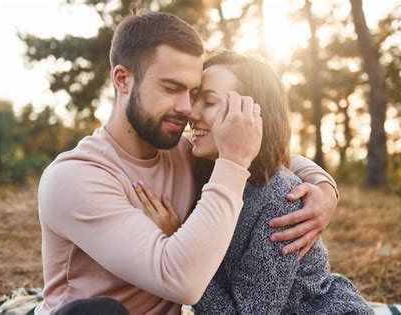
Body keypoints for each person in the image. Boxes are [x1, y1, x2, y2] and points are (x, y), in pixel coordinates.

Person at [36, 12, 339, 315]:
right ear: (123, 80)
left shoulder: (186, 152)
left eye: (194, 93)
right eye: (171, 88)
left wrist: (324, 189)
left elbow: (273, 158)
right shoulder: (74, 177)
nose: (186, 108)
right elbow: (183, 283)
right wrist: (233, 161)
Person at [134, 51, 373, 314]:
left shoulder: (281, 202)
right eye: (195, 99)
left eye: (209, 102)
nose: (191, 112)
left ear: (252, 117)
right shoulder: (207, 170)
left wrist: (180, 244)